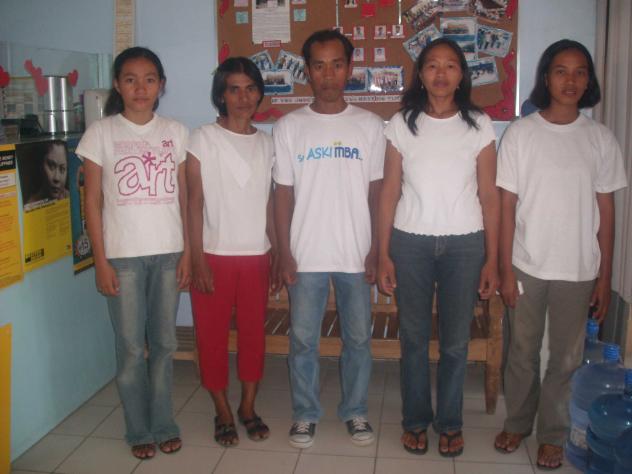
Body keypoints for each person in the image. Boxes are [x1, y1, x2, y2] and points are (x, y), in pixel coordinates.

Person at [493, 39, 627, 470]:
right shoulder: (520, 133)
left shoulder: (599, 138)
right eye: (561, 71)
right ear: (546, 77)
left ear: (589, 81)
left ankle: (552, 434)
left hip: (579, 268)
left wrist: (605, 277)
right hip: (526, 264)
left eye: (580, 72)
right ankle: (517, 423)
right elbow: (506, 205)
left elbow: (607, 211)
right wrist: (504, 269)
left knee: (566, 359)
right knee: (522, 352)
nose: (571, 80)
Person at [377, 37, 499, 457]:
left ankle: (449, 423)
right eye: (432, 65)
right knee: (413, 339)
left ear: (461, 74)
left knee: (455, 343)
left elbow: (490, 196)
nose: (441, 73)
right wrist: (383, 253)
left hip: (465, 245)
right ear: (421, 74)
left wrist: (492, 260)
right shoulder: (401, 124)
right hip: (410, 242)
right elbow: (389, 192)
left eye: (450, 65)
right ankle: (415, 421)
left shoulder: (479, 124)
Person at [273, 29, 386, 448]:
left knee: (358, 340)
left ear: (349, 68)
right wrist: (284, 253)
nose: (328, 74)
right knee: (303, 340)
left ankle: (355, 411)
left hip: (356, 253)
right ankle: (305, 414)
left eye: (337, 65)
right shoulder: (289, 127)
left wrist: (377, 250)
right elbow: (282, 195)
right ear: (307, 71)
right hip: (306, 254)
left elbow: (378, 193)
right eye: (319, 66)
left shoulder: (370, 125)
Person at [77, 47, 190, 460]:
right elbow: (92, 202)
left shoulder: (176, 131)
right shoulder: (100, 133)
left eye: (149, 79)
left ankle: (163, 424)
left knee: (163, 344)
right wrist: (100, 261)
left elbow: (184, 197)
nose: (140, 88)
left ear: (161, 85)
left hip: (168, 253)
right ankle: (138, 429)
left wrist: (188, 253)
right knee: (129, 347)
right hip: (122, 257)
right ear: (117, 85)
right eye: (130, 79)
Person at [186, 57, 279, 447]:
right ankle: (222, 409)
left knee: (254, 336)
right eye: (234, 89)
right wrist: (196, 258)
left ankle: (248, 406)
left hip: (257, 256)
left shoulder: (267, 143)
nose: (243, 97)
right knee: (211, 337)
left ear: (260, 93)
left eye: (250, 88)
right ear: (221, 95)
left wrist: (276, 251)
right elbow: (193, 203)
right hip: (213, 255)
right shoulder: (202, 138)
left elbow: (269, 202)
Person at [26, 139, 69, 204]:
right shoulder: (31, 205)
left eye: (62, 169)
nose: (56, 178)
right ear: (41, 165)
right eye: (51, 166)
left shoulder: (72, 198)